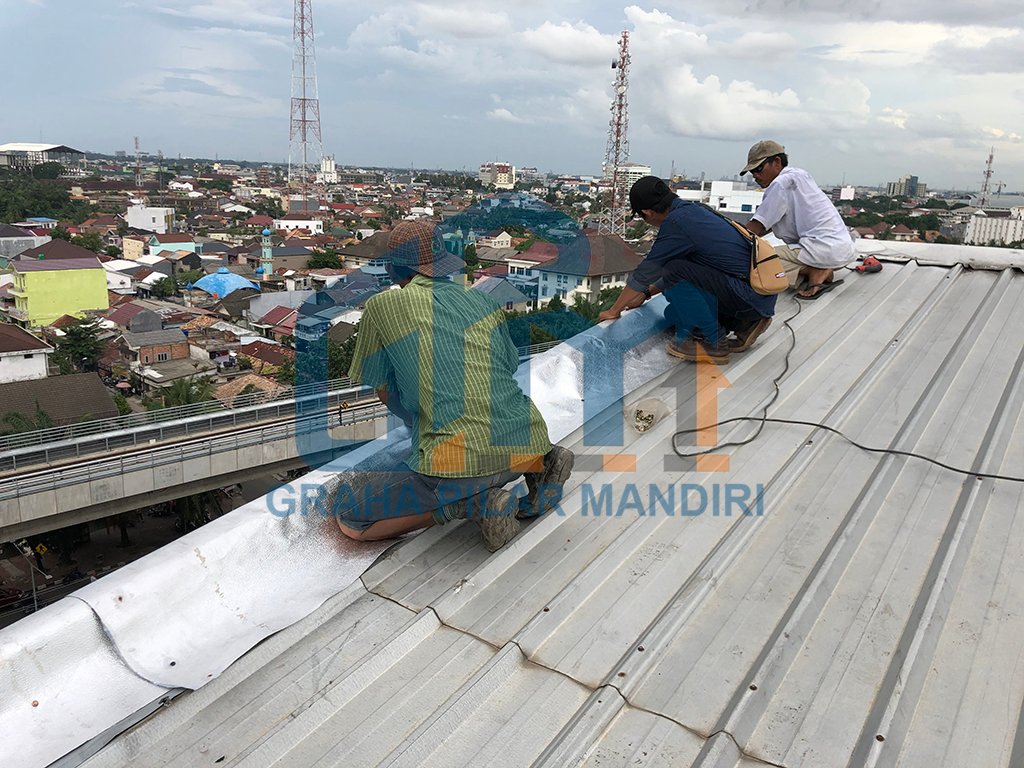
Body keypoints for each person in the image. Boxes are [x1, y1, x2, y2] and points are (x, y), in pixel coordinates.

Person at [330, 220, 574, 551]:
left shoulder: (382, 306)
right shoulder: (484, 300)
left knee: (352, 520)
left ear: (392, 267)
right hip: (529, 439)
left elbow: (384, 390)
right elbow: (507, 367)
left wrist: (421, 421)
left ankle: (473, 505)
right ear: (443, 261)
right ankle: (544, 464)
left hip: (462, 464)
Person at [598, 176, 776, 363]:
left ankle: (711, 342)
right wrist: (647, 293)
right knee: (673, 315)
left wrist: (614, 310)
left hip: (748, 296)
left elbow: (648, 271)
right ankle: (744, 323)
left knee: (673, 268)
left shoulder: (676, 223)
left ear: (647, 213)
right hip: (759, 296)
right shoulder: (696, 210)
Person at [741, 140, 855, 300]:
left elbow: (755, 228)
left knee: (751, 262)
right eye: (752, 172)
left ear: (777, 162)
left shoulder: (780, 184)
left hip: (821, 249)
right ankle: (815, 269)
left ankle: (812, 271)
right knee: (765, 257)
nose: (755, 176)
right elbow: (768, 224)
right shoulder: (799, 175)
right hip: (843, 250)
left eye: (758, 169)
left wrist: (726, 245)